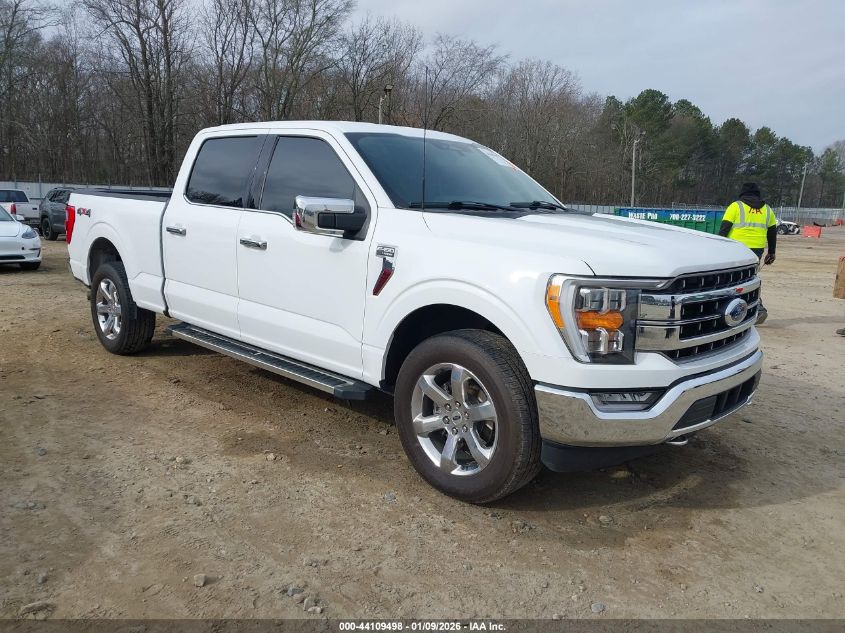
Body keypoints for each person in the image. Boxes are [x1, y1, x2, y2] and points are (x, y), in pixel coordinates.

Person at [719, 182, 777, 324]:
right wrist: (771, 252)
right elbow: (772, 232)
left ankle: (740, 310)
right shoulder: (767, 209)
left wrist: (718, 247)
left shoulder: (736, 206)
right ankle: (756, 309)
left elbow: (724, 229)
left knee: (733, 281)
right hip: (756, 250)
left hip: (736, 249)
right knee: (750, 279)